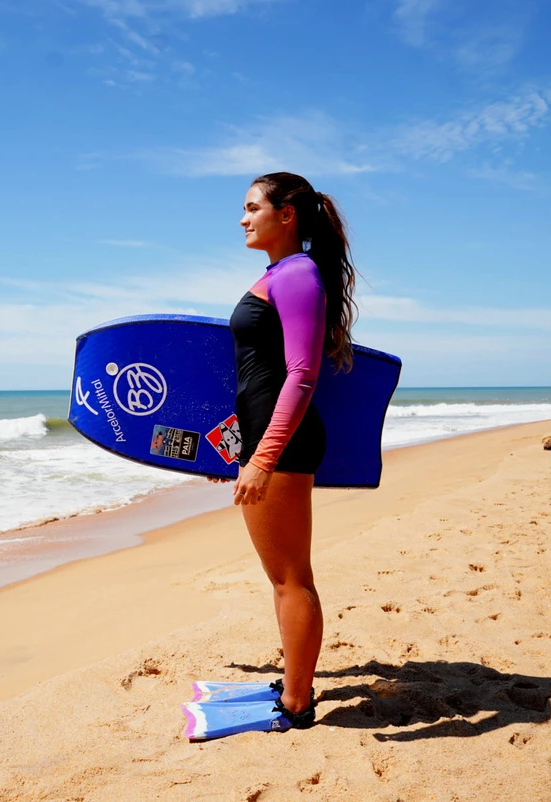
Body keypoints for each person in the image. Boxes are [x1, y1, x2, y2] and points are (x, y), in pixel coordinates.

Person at [209, 171, 357, 729]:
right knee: (284, 576)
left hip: (285, 446)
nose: (243, 218)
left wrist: (264, 458)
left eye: (252, 207)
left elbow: (299, 375)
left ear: (286, 214)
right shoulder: (282, 274)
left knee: (291, 578)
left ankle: (297, 703)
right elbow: (257, 376)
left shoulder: (298, 275)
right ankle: (295, 681)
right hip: (269, 438)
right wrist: (232, 449)